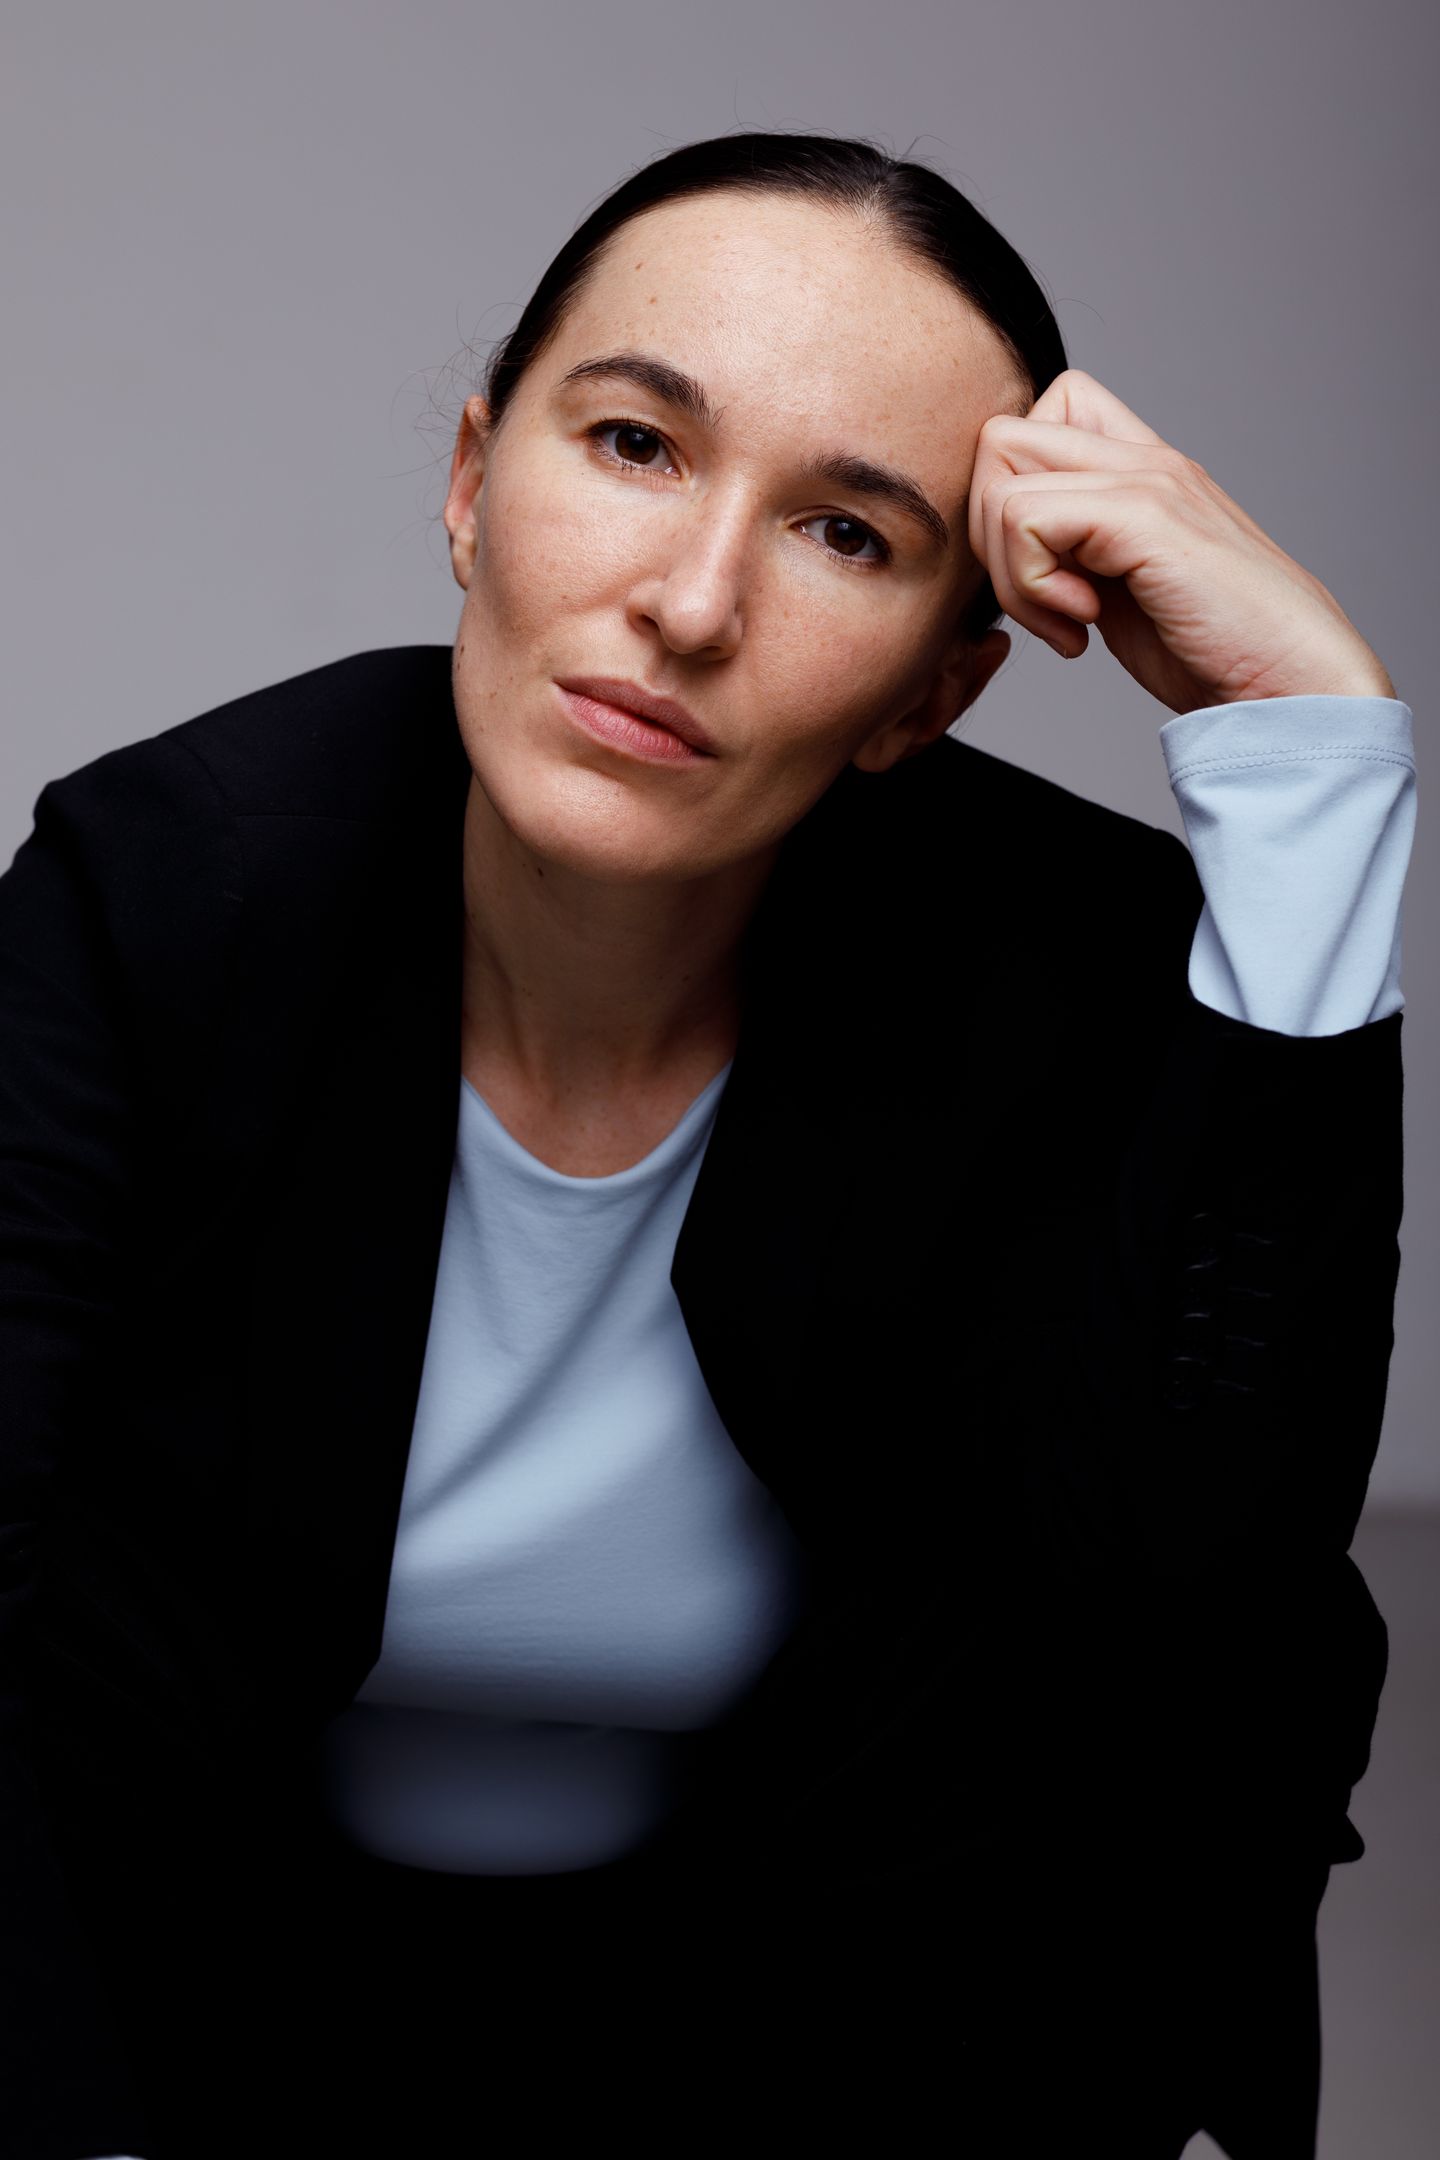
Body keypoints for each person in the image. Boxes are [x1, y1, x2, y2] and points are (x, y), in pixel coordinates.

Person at [0, 130, 1413, 2160]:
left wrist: (1312, 755)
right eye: (635, 444)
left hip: (820, 2022)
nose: (687, 602)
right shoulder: (168, 888)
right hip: (200, 1988)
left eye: (846, 532)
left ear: (936, 690)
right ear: (473, 484)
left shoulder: (1057, 976)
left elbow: (1204, 1617)